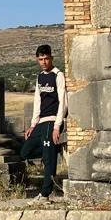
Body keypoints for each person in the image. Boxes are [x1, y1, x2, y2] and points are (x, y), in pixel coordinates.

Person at [20, 43, 68, 199]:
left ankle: (45, 193)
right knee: (25, 151)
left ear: (51, 58)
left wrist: (57, 126)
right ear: (37, 60)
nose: (44, 62)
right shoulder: (40, 77)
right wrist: (33, 125)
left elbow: (63, 102)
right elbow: (37, 102)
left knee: (48, 159)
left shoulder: (58, 75)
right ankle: (54, 148)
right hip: (41, 122)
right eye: (41, 59)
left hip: (52, 121)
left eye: (46, 59)